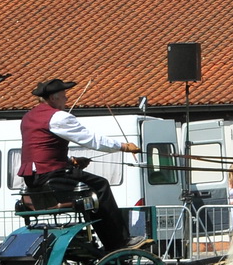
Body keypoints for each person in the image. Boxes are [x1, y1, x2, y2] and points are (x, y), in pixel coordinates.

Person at [17, 78, 142, 253]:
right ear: (53, 98)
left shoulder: (28, 117)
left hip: (34, 179)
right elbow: (90, 140)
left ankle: (102, 241)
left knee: (89, 190)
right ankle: (118, 242)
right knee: (100, 186)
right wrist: (122, 146)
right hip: (51, 176)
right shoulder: (58, 117)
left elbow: (41, 149)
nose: (66, 99)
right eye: (64, 95)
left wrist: (70, 161)